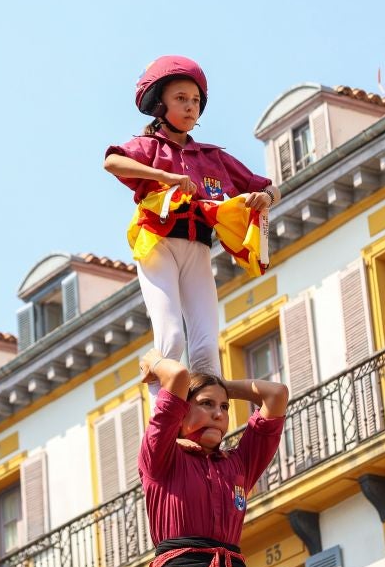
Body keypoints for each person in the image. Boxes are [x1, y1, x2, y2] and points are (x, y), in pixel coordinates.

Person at [104, 56, 280, 397]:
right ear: (160, 104)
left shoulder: (213, 157)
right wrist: (163, 176)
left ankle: (203, 423)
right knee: (170, 337)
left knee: (206, 350)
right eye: (181, 98)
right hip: (157, 242)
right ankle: (164, 417)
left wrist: (266, 200)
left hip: (198, 246)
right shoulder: (149, 147)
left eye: (195, 100)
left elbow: (269, 186)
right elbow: (111, 161)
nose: (190, 107)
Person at [138, 349, 289, 567]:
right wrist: (153, 363)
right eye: (206, 403)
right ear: (181, 410)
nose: (218, 413)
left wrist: (220, 385)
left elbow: (276, 394)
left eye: (224, 407)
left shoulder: (237, 464)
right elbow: (178, 375)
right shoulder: (161, 458)